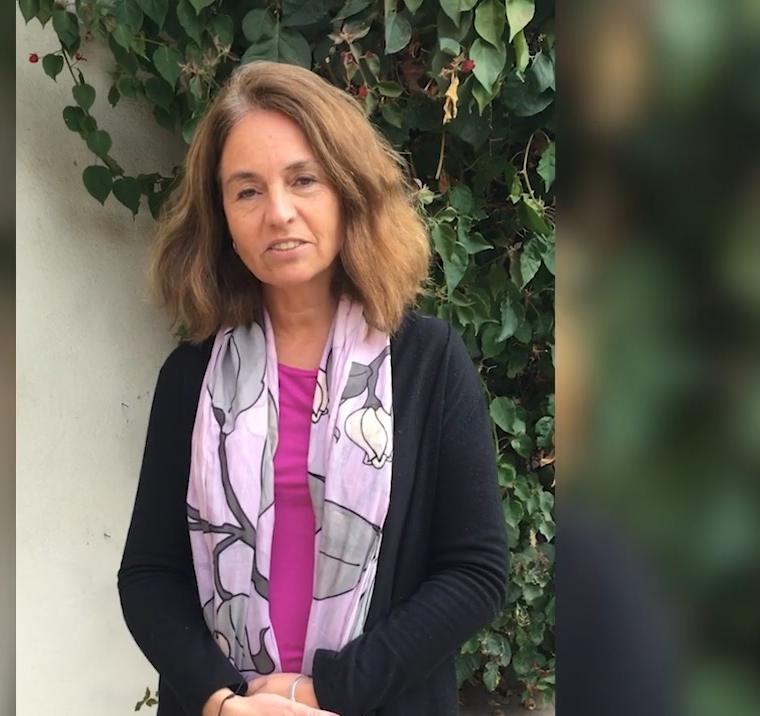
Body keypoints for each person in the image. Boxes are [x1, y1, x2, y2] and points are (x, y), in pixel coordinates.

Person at [117, 60, 508, 716]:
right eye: (247, 191)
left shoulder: (428, 363)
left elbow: (474, 571)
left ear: (348, 189)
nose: (278, 213)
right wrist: (224, 702)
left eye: (303, 179)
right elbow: (149, 574)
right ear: (222, 216)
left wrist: (324, 691)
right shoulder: (190, 379)